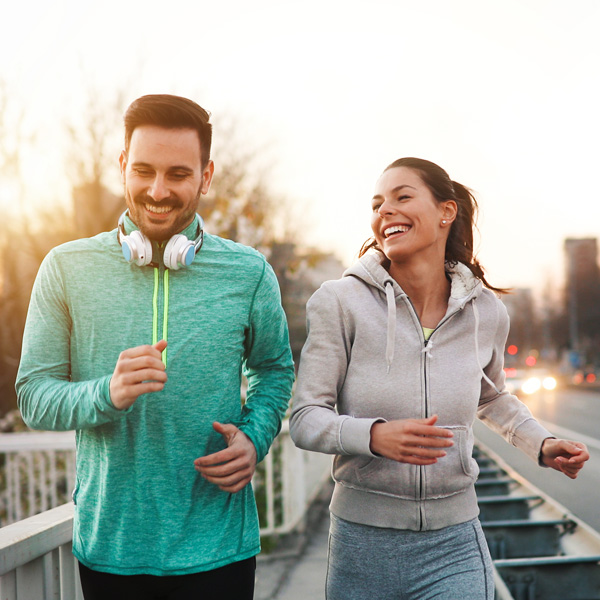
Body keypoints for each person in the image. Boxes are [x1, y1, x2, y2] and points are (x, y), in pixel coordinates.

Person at [16, 94, 295, 600]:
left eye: (178, 174)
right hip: (111, 551)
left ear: (206, 177)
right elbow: (34, 396)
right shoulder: (64, 267)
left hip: (220, 550)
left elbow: (274, 370)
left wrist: (255, 436)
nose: (158, 190)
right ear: (123, 166)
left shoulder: (250, 273)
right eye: (143, 170)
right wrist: (107, 392)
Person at [289, 157, 590, 599]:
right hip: (363, 543)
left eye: (402, 197)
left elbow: (492, 398)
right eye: (377, 204)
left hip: (455, 541)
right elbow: (305, 418)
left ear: (446, 212)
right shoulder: (340, 302)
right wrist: (373, 436)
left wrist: (540, 444)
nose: (385, 211)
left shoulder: (486, 311)